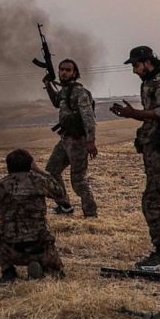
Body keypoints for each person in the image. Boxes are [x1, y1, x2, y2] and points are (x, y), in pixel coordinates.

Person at [112, 46, 160, 267]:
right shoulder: (150, 82)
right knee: (157, 197)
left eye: (136, 65)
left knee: (153, 198)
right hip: (154, 143)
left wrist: (134, 114)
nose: (134, 70)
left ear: (147, 62)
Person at [0, 149, 65, 284]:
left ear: (8, 166)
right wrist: (40, 171)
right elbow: (60, 193)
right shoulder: (39, 181)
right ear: (30, 165)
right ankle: (40, 265)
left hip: (12, 248)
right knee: (56, 274)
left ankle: (8, 272)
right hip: (40, 245)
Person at [42, 58, 97, 217]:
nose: (64, 72)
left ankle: (91, 213)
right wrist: (48, 85)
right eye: (62, 69)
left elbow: (89, 118)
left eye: (68, 70)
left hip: (78, 141)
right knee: (52, 170)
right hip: (66, 139)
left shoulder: (80, 92)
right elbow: (56, 102)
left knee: (78, 180)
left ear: (75, 73)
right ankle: (64, 206)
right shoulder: (65, 90)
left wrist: (90, 141)